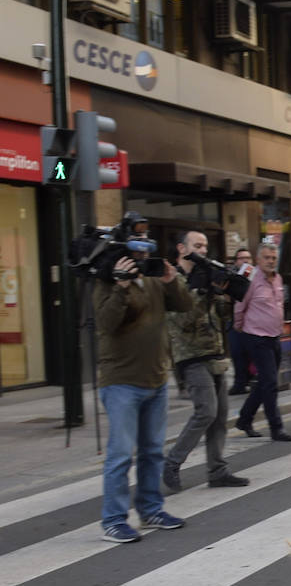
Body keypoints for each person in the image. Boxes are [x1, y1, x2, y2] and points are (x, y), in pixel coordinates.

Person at [92, 214, 194, 543]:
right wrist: (121, 287)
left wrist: (170, 280)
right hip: (121, 381)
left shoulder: (152, 277)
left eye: (146, 249)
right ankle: (113, 520)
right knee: (121, 454)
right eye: (136, 251)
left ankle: (151, 508)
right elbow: (106, 325)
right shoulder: (107, 281)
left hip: (155, 379)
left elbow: (185, 305)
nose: (142, 256)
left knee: (152, 452)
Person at [164, 231, 247, 493]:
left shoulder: (207, 275)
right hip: (189, 356)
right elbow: (182, 321)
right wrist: (202, 293)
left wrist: (222, 294)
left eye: (205, 246)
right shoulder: (173, 280)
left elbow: (220, 316)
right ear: (181, 248)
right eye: (196, 245)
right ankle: (172, 462)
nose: (202, 250)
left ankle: (217, 470)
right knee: (206, 411)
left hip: (213, 352)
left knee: (220, 415)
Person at [234, 243, 291, 442]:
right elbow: (239, 305)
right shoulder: (251, 279)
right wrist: (239, 326)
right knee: (269, 383)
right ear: (258, 260)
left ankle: (244, 419)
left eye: (273, 258)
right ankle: (276, 428)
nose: (271, 261)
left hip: (274, 336)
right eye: (267, 257)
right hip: (256, 336)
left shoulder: (278, 278)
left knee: (264, 383)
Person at [228, 247, 254, 395]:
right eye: (242, 258)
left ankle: (251, 379)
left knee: (252, 352)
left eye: (248, 258)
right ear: (236, 262)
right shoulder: (231, 276)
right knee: (237, 353)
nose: (245, 261)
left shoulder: (256, 276)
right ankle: (240, 383)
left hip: (252, 321)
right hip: (235, 322)